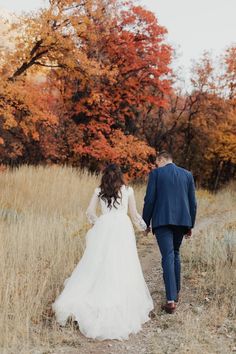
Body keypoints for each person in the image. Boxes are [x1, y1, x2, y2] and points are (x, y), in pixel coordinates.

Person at [52, 164, 154, 340]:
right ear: (120, 175)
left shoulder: (99, 190)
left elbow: (90, 212)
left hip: (104, 226)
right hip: (122, 228)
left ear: (105, 176)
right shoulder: (128, 190)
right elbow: (134, 214)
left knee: (97, 264)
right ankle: (118, 301)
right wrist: (144, 227)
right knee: (122, 264)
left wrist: (98, 223)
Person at [142, 151, 197, 314]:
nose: (155, 166)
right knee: (175, 253)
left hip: (162, 221)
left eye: (156, 162)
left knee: (168, 255)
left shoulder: (156, 174)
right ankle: (176, 292)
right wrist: (190, 225)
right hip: (182, 221)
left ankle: (171, 300)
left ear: (162, 159)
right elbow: (193, 203)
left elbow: (150, 200)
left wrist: (146, 223)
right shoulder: (187, 175)